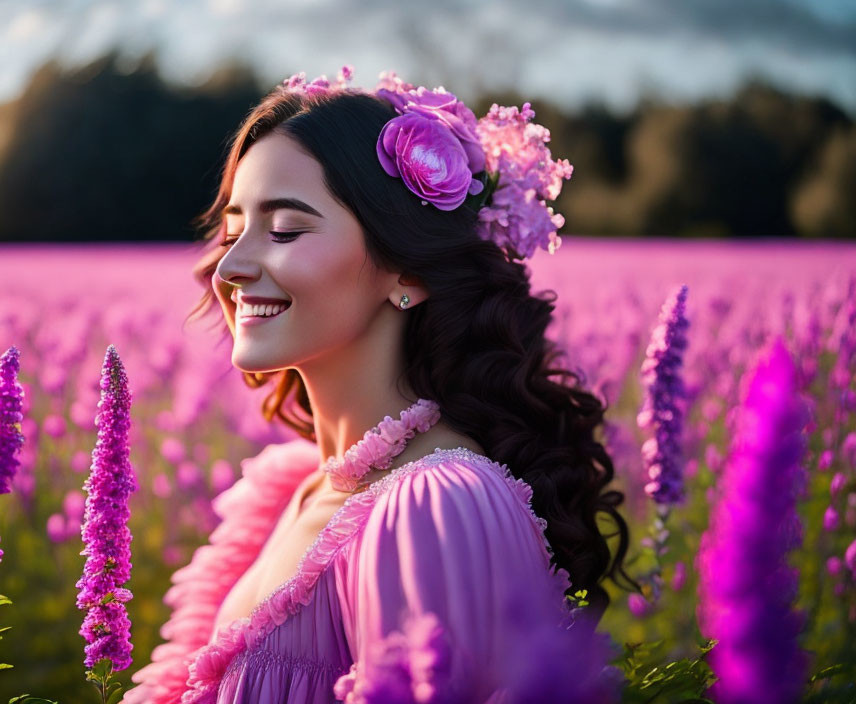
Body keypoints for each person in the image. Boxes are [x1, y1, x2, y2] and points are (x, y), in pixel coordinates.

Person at [123, 67, 636, 704]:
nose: (230, 266)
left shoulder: (436, 506)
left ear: (408, 272)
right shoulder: (301, 485)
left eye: (284, 230)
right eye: (233, 231)